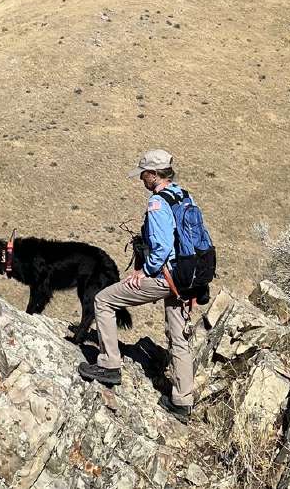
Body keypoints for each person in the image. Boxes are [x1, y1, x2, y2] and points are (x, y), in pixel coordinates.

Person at [77, 149, 199, 421]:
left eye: (143, 174)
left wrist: (144, 271)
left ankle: (109, 364)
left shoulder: (157, 203)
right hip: (185, 278)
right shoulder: (183, 195)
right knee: (179, 338)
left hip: (165, 277)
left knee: (103, 300)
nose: (141, 179)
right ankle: (182, 401)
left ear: (154, 174)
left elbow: (162, 247)